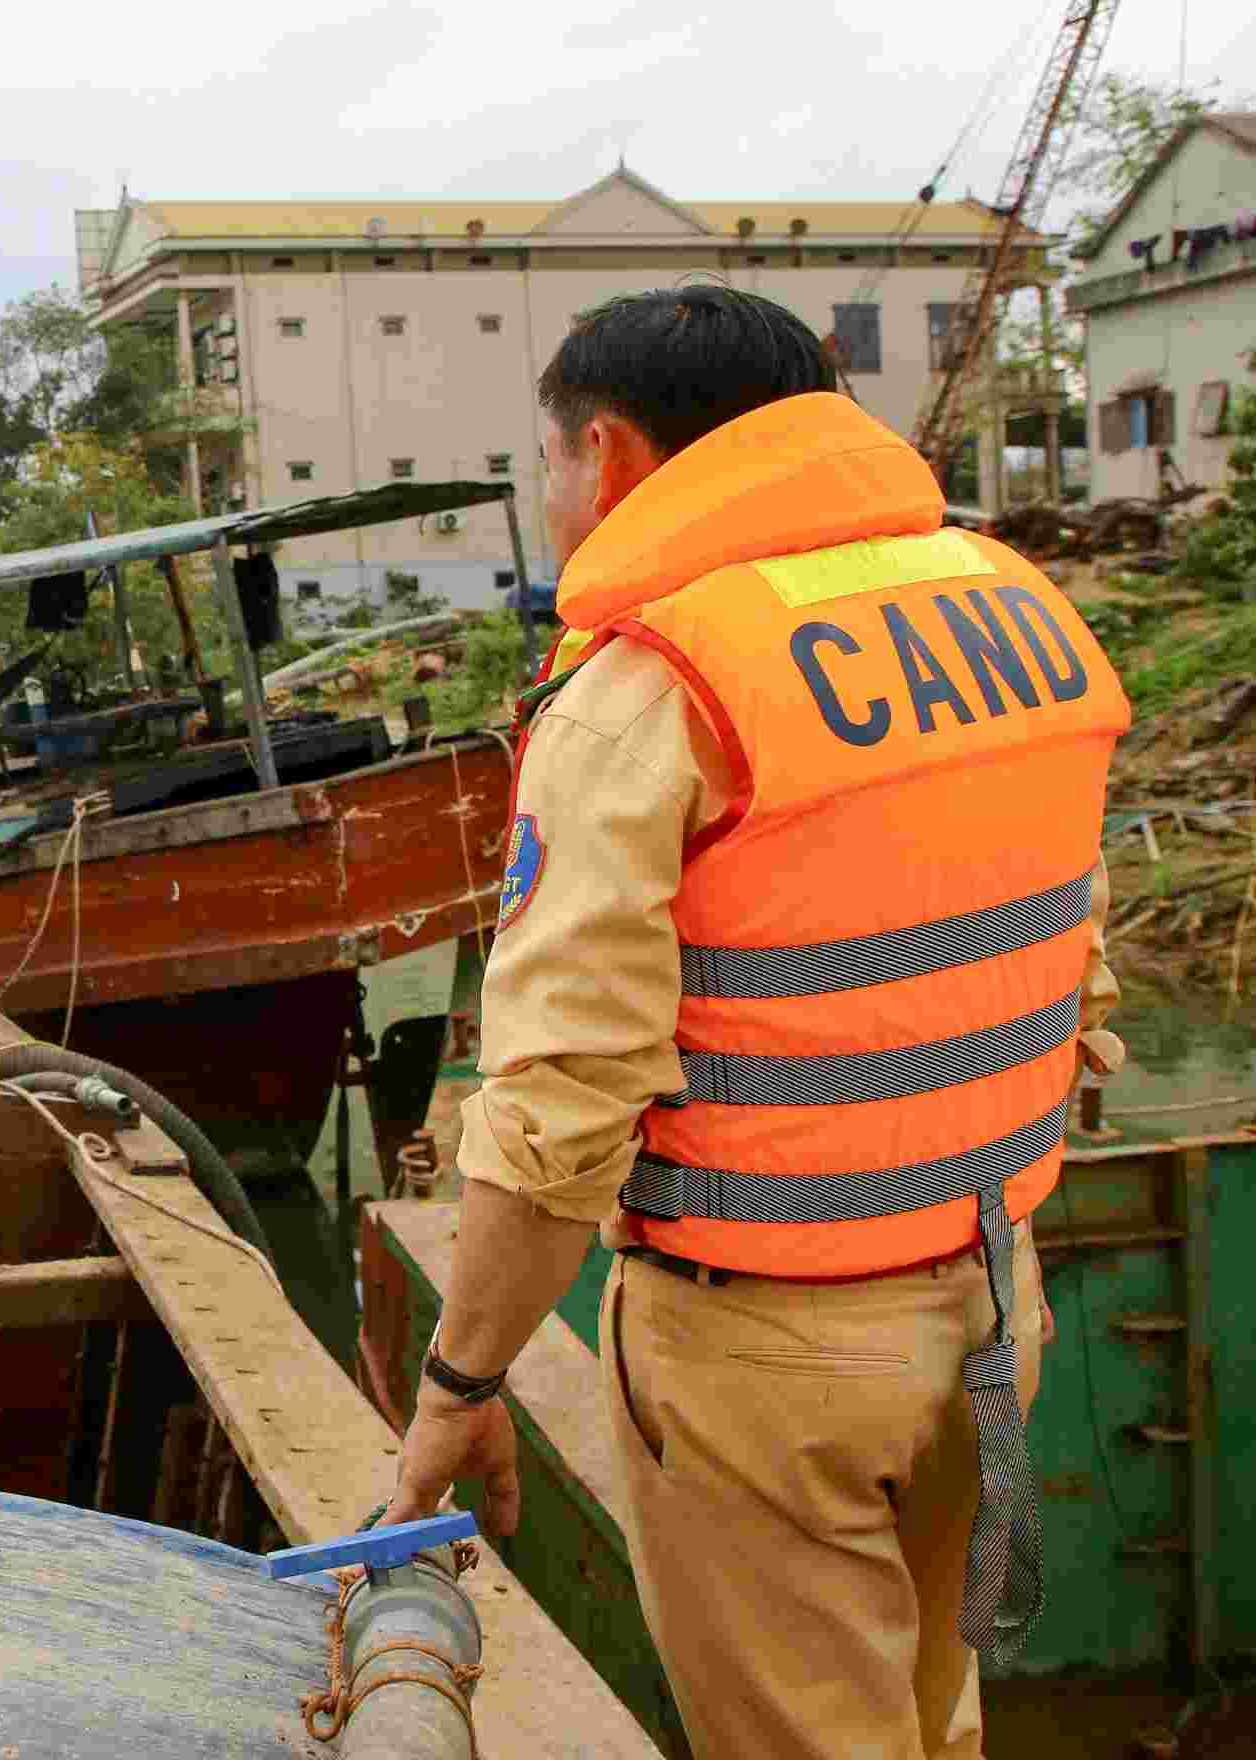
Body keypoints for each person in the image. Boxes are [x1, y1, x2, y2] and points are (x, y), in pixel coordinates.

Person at [376, 286, 1128, 1760]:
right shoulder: (1012, 609)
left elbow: (563, 1099)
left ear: (610, 455)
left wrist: (462, 1385)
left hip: (766, 1346)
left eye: (546, 464)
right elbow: (1059, 938)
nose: (553, 496)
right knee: (927, 1712)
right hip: (991, 1292)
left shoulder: (653, 687)